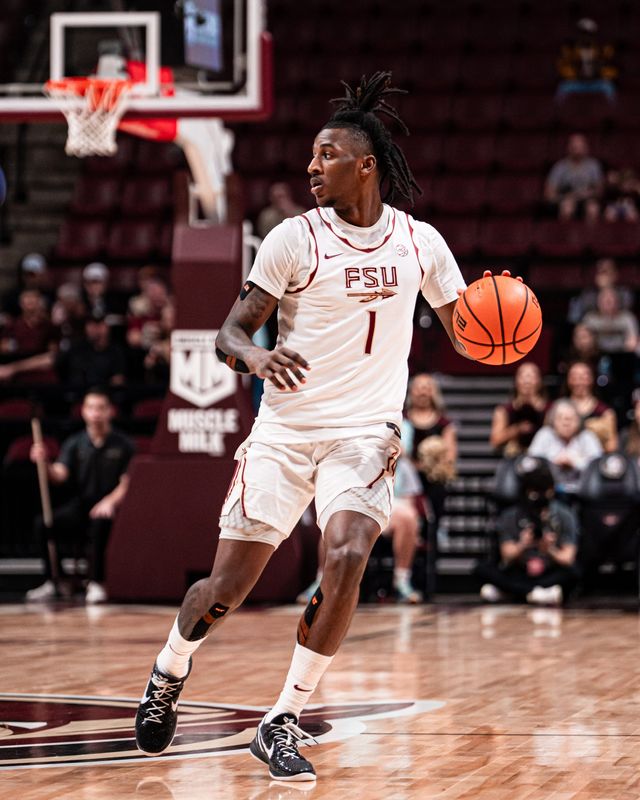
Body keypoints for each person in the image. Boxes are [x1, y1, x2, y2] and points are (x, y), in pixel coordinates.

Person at [134, 72, 480, 782]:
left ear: (366, 165)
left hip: (365, 432)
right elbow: (228, 335)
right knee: (225, 589)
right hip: (285, 433)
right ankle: (170, 668)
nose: (312, 166)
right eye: (312, 155)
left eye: (327, 155)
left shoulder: (421, 244)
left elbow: (470, 335)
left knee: (347, 555)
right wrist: (258, 356)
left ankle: (283, 718)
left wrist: (500, 327)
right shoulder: (294, 238)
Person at [25, 387, 134, 603]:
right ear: (83, 411)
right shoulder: (75, 442)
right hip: (82, 504)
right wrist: (44, 462)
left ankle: (97, 582)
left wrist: (109, 502)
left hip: (112, 508)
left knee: (100, 522)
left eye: (101, 408)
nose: (96, 413)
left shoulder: (124, 444)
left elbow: (127, 483)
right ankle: (55, 581)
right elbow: (59, 475)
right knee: (44, 524)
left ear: (110, 411)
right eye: (91, 408)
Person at [477, 456, 580, 606]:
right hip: (520, 570)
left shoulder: (563, 514)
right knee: (482, 569)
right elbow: (507, 555)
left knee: (574, 573)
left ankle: (514, 592)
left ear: (551, 491)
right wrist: (523, 544)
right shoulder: (511, 515)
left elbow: (568, 558)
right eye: (533, 492)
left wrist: (549, 549)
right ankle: (534, 593)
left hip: (549, 570)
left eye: (544, 491)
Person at [402, 373, 457, 534]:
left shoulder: (444, 423)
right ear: (411, 391)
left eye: (427, 387)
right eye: (419, 387)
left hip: (433, 481)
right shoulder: (402, 420)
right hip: (405, 479)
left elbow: (450, 455)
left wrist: (435, 465)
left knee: (432, 522)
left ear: (434, 392)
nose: (423, 392)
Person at [528, 399, 603, 489]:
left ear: (578, 421)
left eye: (570, 419)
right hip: (548, 489)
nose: (566, 423)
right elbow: (531, 462)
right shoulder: (545, 434)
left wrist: (574, 463)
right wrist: (554, 463)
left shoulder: (586, 436)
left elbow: (597, 465)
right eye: (560, 418)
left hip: (582, 489)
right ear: (553, 421)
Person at [490, 361, 549, 457]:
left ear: (539, 381)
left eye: (531, 376)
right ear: (516, 381)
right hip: (514, 457)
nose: (527, 381)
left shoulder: (550, 409)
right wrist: (517, 430)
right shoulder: (504, 410)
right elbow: (495, 440)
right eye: (523, 376)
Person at [544, 133, 604, 222]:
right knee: (567, 208)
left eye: (580, 147)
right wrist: (566, 197)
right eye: (574, 147)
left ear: (586, 148)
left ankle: (592, 231)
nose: (577, 150)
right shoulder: (559, 167)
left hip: (587, 199)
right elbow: (549, 194)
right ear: (569, 148)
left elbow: (600, 190)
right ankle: (565, 230)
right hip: (565, 200)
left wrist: (588, 194)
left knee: (593, 208)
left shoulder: (593, 166)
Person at [556, 18, 617, 102]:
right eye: (583, 33)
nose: (586, 37)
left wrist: (600, 73)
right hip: (577, 82)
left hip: (596, 82)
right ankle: (558, 108)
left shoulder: (601, 49)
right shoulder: (571, 48)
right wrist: (575, 74)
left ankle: (613, 108)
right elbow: (562, 66)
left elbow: (612, 67)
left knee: (608, 87)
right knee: (563, 87)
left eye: (589, 34)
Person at [563, 360, 618, 452]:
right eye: (574, 376)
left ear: (592, 378)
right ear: (568, 379)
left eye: (583, 376)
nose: (579, 381)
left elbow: (612, 445)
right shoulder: (558, 408)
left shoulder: (605, 412)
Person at [567, 257, 634, 326]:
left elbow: (626, 305)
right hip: (594, 325)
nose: (602, 275)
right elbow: (574, 318)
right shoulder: (588, 293)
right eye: (599, 272)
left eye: (605, 271)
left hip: (618, 323)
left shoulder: (624, 292)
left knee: (629, 319)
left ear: (615, 274)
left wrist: (608, 288)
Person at [582, 287, 639, 355]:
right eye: (604, 300)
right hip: (595, 353)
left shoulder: (627, 317)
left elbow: (633, 338)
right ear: (598, 302)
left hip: (622, 352)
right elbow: (583, 338)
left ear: (618, 302)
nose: (608, 303)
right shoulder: (590, 318)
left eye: (611, 300)